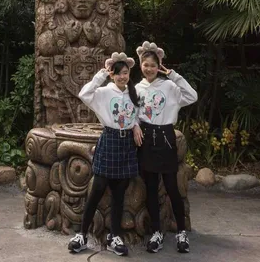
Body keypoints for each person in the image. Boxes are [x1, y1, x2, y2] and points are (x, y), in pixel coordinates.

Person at [68, 52, 143, 256]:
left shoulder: (133, 92)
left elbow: (136, 114)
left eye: (125, 73)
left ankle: (114, 237)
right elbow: (84, 94)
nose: (122, 77)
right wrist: (101, 73)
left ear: (129, 74)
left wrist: (135, 126)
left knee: (119, 194)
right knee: (97, 189)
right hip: (109, 140)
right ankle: (82, 235)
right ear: (112, 75)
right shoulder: (104, 92)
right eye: (117, 73)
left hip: (127, 144)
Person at [135, 41, 198, 255]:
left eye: (153, 65)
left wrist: (173, 75)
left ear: (159, 65)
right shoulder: (137, 89)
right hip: (146, 140)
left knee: (172, 188)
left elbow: (192, 96)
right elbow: (132, 114)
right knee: (151, 190)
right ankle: (156, 232)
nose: (149, 68)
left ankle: (181, 232)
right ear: (141, 66)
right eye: (145, 65)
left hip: (166, 139)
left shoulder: (170, 86)